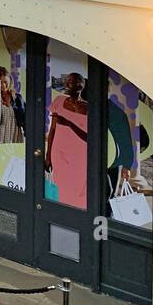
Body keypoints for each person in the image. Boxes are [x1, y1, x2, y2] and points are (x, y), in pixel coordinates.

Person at [44, 71, 89, 209]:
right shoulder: (59, 101)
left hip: (80, 157)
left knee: (78, 190)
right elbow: (52, 130)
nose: (67, 84)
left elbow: (88, 137)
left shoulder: (88, 108)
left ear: (81, 85)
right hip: (60, 154)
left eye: (72, 81)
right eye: (67, 81)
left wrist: (69, 123)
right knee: (61, 187)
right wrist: (48, 155)